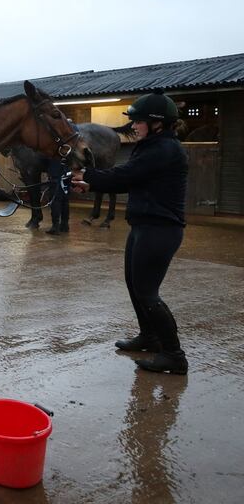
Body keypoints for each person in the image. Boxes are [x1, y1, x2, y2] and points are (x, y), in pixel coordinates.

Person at [71, 90, 188, 374]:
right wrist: (91, 184)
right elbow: (129, 180)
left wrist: (86, 176)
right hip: (144, 226)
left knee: (147, 292)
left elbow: (125, 175)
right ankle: (149, 337)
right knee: (135, 286)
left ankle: (174, 355)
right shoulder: (152, 146)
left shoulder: (164, 150)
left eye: (139, 121)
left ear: (157, 123)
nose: (133, 126)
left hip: (160, 229)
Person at [46, 157, 70, 235]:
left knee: (55, 202)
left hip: (56, 179)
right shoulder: (68, 152)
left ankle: (55, 227)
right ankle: (64, 225)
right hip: (66, 179)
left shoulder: (54, 152)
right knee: (65, 202)